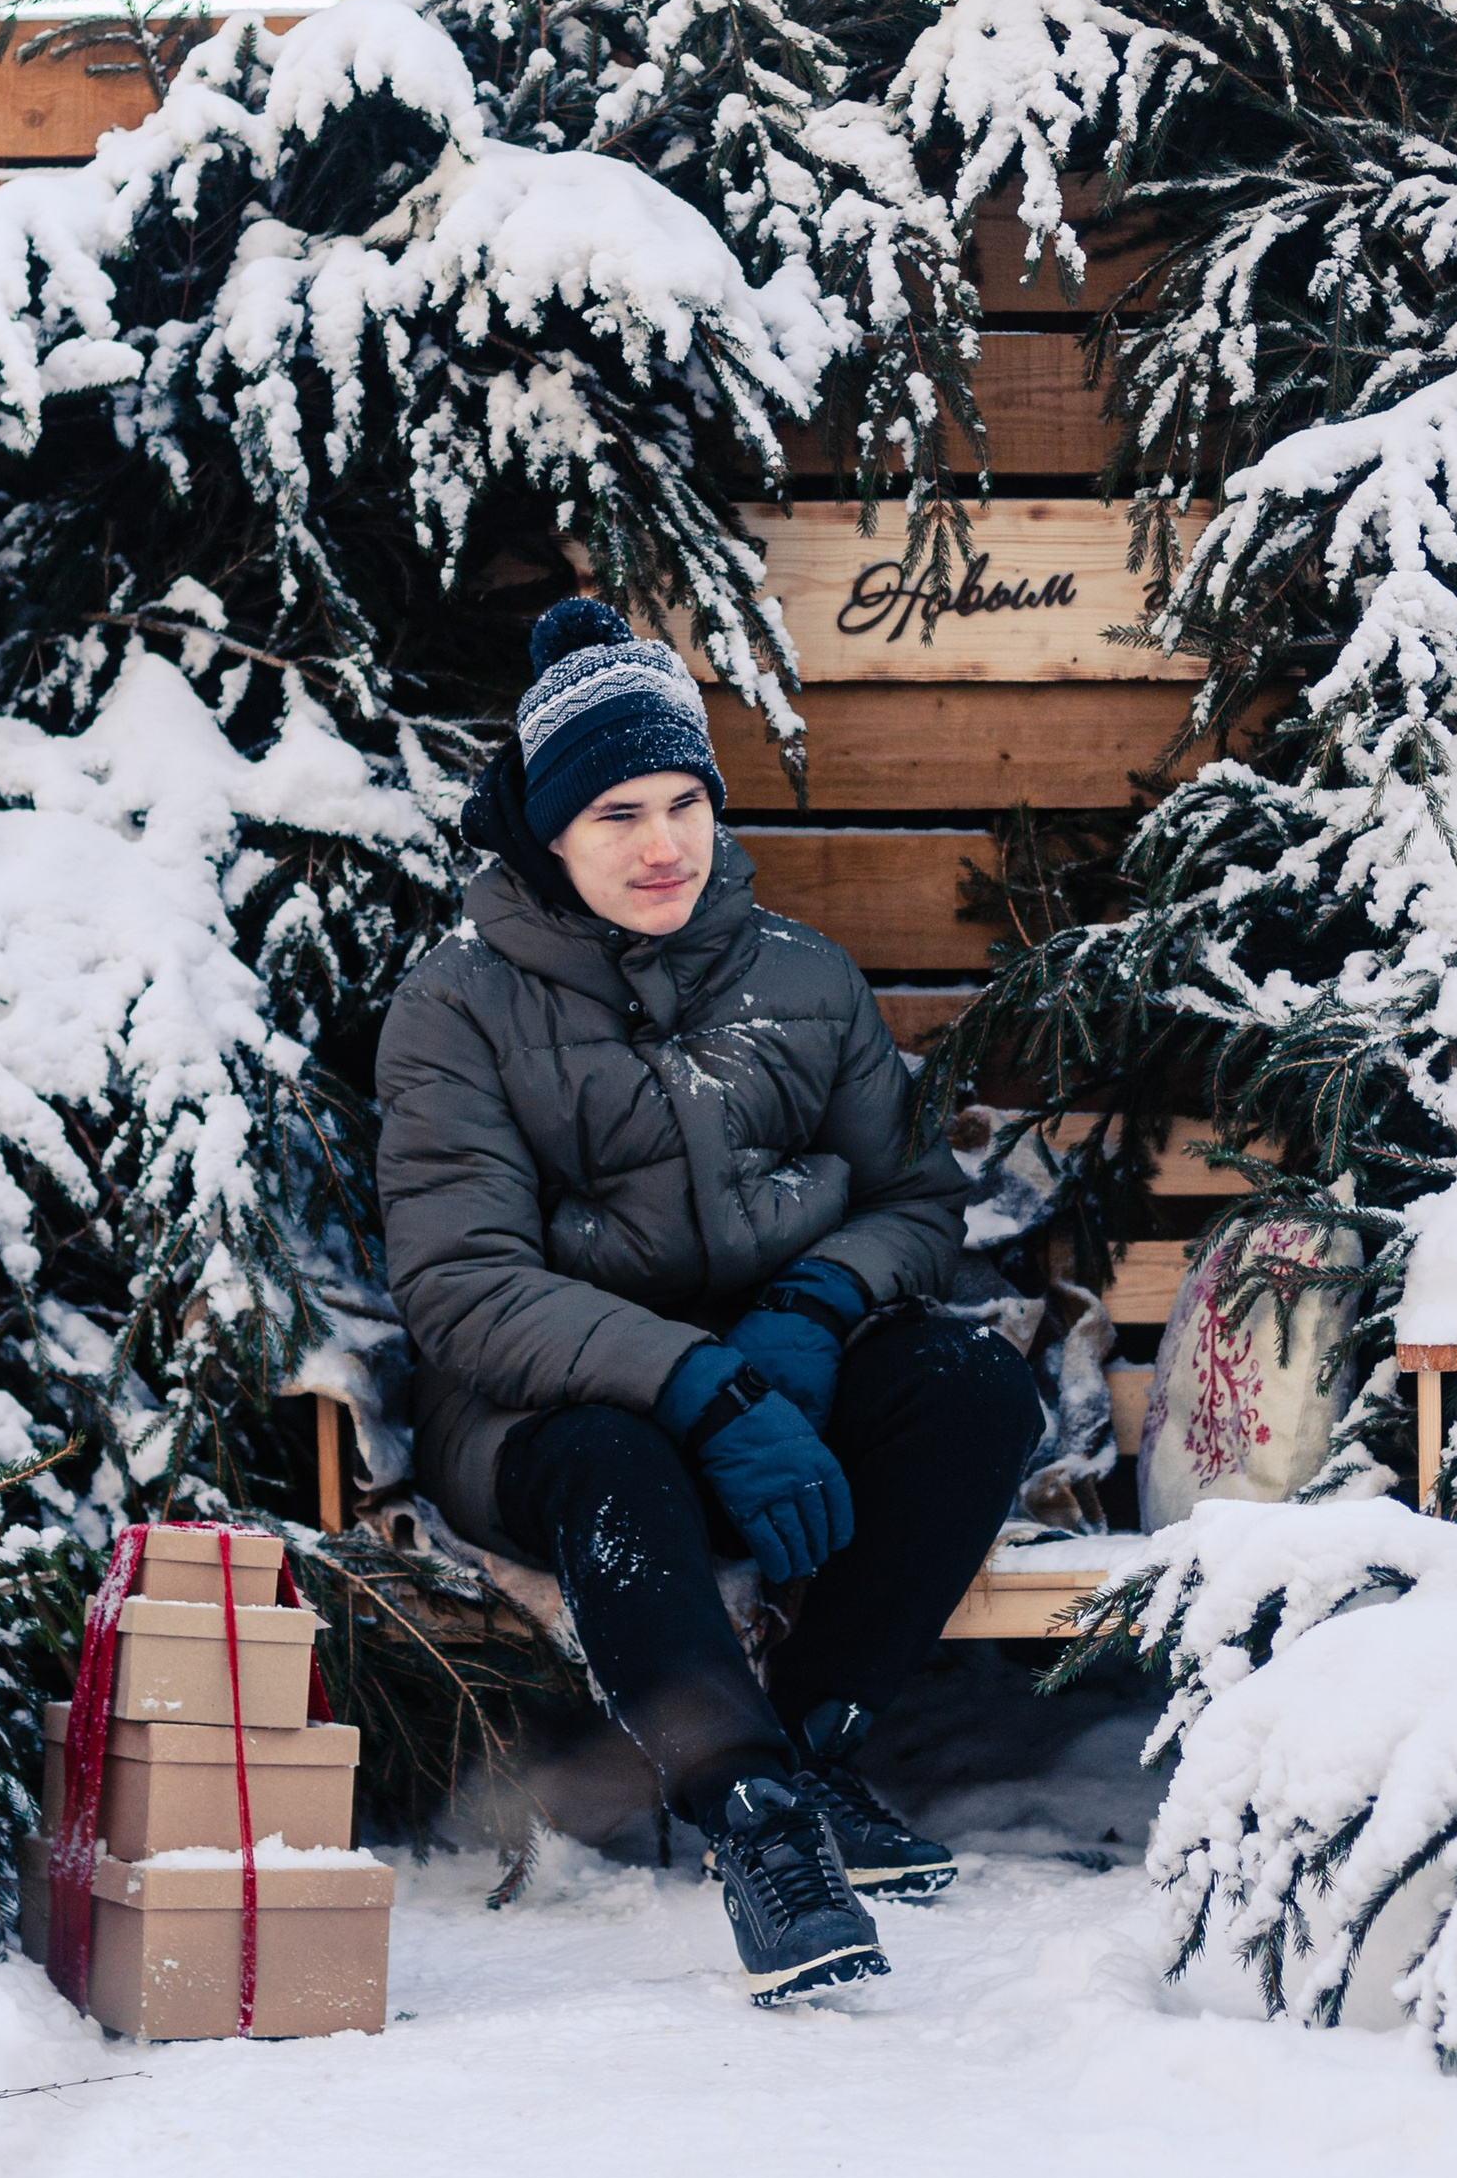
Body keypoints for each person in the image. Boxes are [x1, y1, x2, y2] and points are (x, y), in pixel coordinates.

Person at [375, 596, 1041, 2002]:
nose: (665, 844)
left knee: (971, 1389)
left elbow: (917, 1201)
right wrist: (700, 1381)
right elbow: (463, 1284)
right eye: (617, 813)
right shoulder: (460, 1005)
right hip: (550, 1416)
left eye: (685, 801)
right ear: (547, 832)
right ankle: (752, 1819)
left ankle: (816, 1749)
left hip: (778, 1378)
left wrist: (807, 1313)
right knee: (615, 1460)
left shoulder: (801, 976)